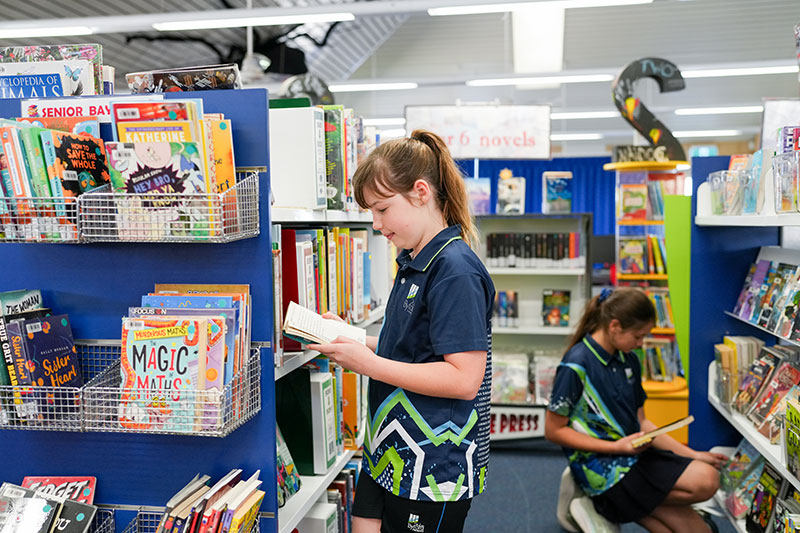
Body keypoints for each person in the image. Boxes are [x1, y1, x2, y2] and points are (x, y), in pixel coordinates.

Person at [308, 130, 495, 533]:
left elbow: (464, 379)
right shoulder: (414, 260)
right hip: (389, 451)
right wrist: (355, 340)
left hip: (433, 468)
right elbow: (412, 348)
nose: (376, 224)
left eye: (382, 209)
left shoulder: (454, 270)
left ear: (421, 192)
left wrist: (370, 365)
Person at [544, 287, 728, 533]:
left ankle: (620, 505)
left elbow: (642, 423)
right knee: (706, 481)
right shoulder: (576, 365)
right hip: (602, 468)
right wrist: (616, 447)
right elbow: (553, 431)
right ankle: (603, 501)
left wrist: (692, 453)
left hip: (635, 457)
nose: (641, 343)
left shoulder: (628, 357)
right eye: (638, 336)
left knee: (699, 526)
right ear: (615, 326)